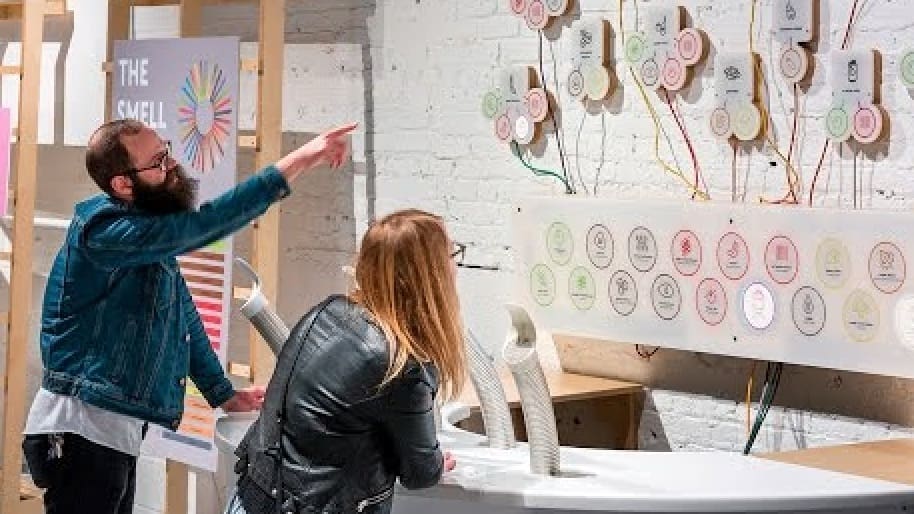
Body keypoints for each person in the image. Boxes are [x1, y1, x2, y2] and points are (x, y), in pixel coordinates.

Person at [21, 118, 357, 514]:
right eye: (158, 162)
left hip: (111, 432)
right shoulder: (104, 233)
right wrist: (301, 159)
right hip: (80, 431)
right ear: (123, 184)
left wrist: (223, 394)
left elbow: (182, 316)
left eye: (166, 152)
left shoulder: (144, 234)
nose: (172, 166)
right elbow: (205, 224)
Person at [227, 209, 466, 514]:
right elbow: (420, 473)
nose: (456, 264)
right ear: (431, 275)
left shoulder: (326, 312)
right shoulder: (402, 366)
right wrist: (436, 463)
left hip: (252, 496)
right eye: (451, 254)